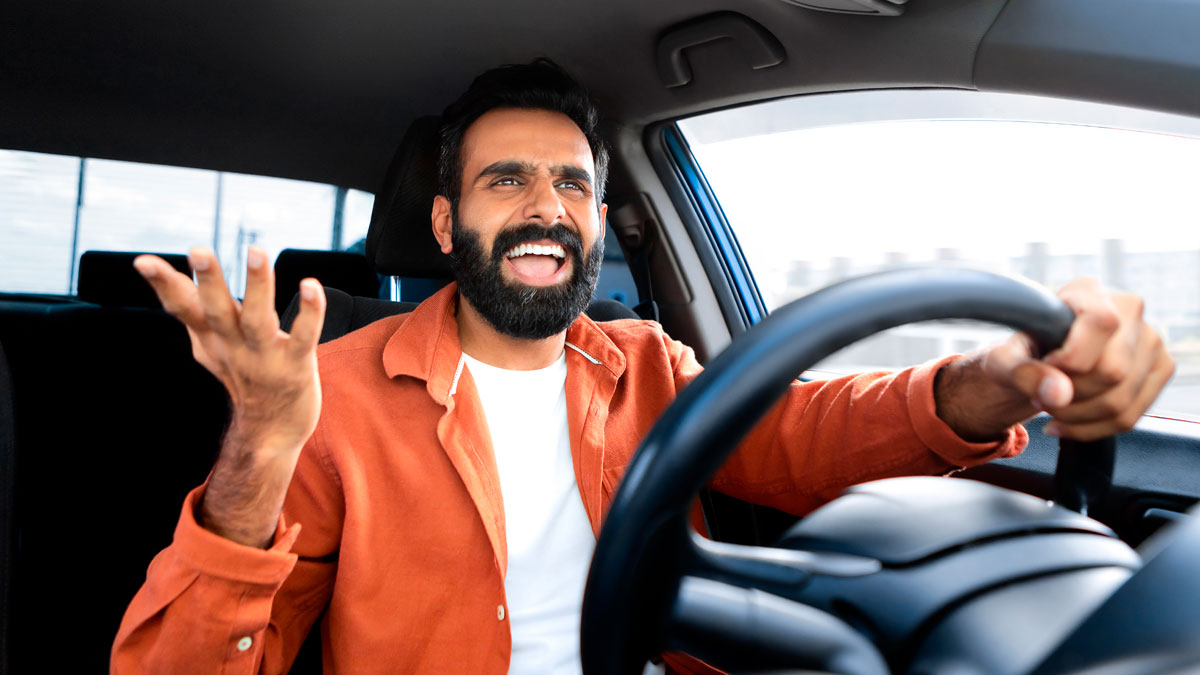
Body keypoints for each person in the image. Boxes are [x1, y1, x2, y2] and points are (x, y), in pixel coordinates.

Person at [112, 61, 1175, 674]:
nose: (547, 208)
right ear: (445, 222)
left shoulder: (644, 359)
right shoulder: (329, 396)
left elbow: (808, 432)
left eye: (572, 185)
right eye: (507, 182)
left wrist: (994, 379)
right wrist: (259, 440)